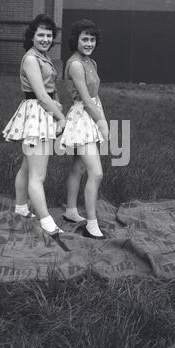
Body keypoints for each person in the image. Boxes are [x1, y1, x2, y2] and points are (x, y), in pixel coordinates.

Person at [3, 14, 66, 235]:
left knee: (27, 166)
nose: (45, 38)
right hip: (37, 113)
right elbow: (40, 94)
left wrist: (56, 106)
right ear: (32, 36)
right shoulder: (31, 59)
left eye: (49, 35)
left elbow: (51, 89)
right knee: (38, 175)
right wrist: (61, 117)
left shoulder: (44, 57)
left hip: (43, 111)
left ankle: (21, 208)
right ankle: (46, 221)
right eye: (41, 34)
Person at [61, 19, 109, 239]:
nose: (89, 43)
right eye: (84, 39)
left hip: (92, 114)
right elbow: (87, 101)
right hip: (82, 117)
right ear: (76, 40)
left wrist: (102, 117)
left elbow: (96, 96)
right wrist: (102, 123)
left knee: (78, 167)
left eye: (92, 39)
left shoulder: (92, 62)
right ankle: (91, 224)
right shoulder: (76, 64)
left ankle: (71, 211)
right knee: (96, 173)